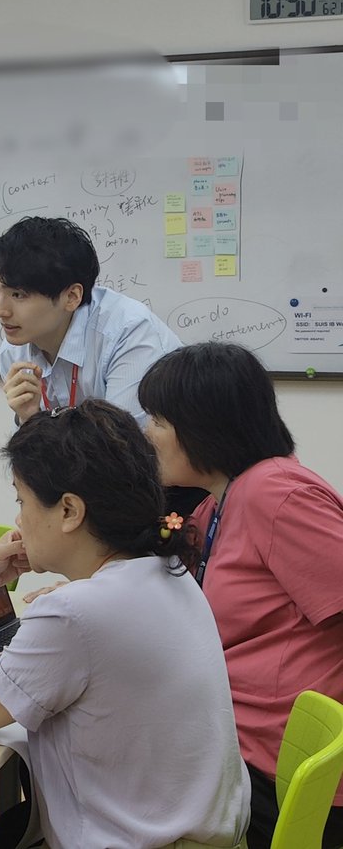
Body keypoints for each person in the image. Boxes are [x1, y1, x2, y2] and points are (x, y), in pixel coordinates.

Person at [0, 400, 250, 849]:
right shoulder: (166, 571)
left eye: (22, 499)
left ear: (70, 511)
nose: (18, 518)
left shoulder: (77, 614)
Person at [139, 342, 343, 849]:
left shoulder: (277, 494)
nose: (147, 433)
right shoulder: (221, 498)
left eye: (158, 420)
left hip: (273, 762)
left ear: (204, 426)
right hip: (235, 737)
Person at [0, 216, 182, 428]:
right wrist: (29, 419)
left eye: (18, 295)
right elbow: (31, 457)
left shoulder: (129, 334)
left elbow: (126, 450)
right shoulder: (13, 352)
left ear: (72, 296)